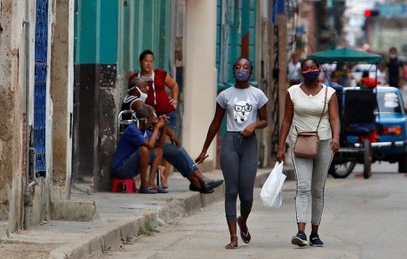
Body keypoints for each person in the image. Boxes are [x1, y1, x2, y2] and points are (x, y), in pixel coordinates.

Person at [196, 58, 268, 250]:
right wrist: (204, 149)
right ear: (232, 71)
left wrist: (253, 125)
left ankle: (242, 220)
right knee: (231, 190)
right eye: (237, 67)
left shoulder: (257, 94)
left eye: (245, 67)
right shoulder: (225, 95)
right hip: (230, 142)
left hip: (249, 144)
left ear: (250, 71)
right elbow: (215, 122)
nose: (241, 70)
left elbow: (265, 121)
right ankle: (233, 236)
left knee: (247, 196)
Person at [277, 58, 341, 248]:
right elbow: (287, 120)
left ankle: (315, 232)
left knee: (317, 189)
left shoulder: (330, 93)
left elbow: (335, 119)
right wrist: (281, 146)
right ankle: (301, 232)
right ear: (301, 71)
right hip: (301, 143)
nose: (310, 70)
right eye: (306, 68)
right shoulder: (293, 92)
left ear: (319, 70)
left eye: (313, 67)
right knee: (302, 186)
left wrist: (336, 138)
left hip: (324, 143)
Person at [113, 104, 222, 195]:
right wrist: (157, 127)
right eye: (152, 118)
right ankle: (144, 185)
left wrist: (164, 126)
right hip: (122, 168)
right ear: (145, 120)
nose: (154, 121)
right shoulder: (133, 129)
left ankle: (153, 182)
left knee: (161, 151)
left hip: (132, 166)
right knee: (144, 150)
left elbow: (159, 146)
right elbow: (150, 145)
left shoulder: (144, 129)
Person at [131, 50, 181, 190]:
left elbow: (174, 85)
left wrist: (174, 100)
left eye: (151, 61)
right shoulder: (136, 78)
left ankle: (164, 177)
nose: (148, 63)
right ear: (141, 62)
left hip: (167, 114)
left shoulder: (160, 74)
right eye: (146, 61)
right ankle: (151, 176)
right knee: (153, 144)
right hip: (150, 117)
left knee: (167, 144)